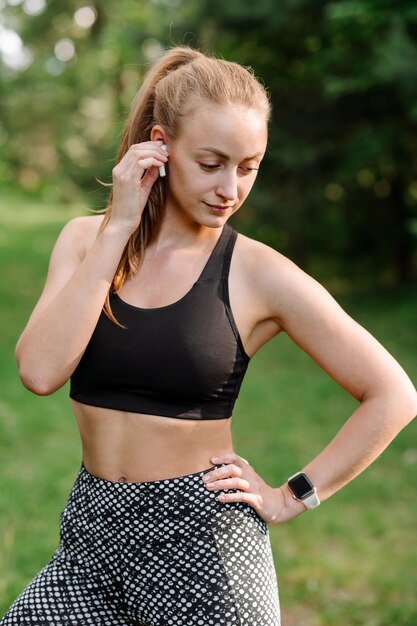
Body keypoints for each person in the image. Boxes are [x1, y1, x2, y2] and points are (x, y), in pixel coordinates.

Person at [1, 45, 416, 626]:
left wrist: (292, 495)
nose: (231, 188)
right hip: (91, 537)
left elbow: (394, 394)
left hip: (203, 542)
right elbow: (40, 372)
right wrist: (118, 227)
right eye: (212, 162)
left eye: (249, 166)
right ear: (160, 145)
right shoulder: (83, 240)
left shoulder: (259, 273)